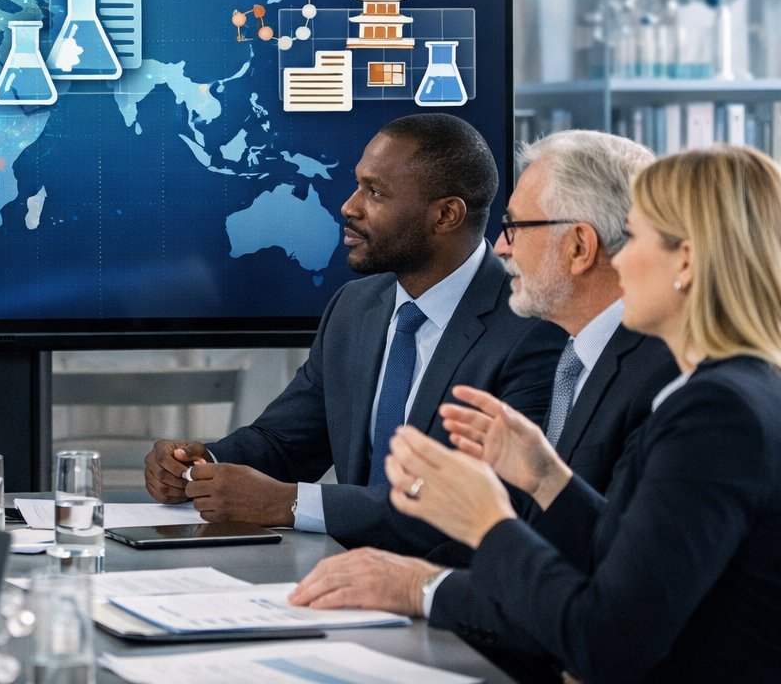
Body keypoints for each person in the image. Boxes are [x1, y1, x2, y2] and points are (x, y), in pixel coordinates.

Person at [332, 145, 781, 682]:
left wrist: (486, 521)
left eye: (633, 237)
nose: (619, 257)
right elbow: (633, 563)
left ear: (684, 261)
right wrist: (547, 478)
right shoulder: (728, 388)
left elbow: (605, 637)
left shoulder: (716, 410)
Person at [287, 130, 679, 676]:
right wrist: (545, 481)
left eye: (515, 227)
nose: (498, 247)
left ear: (579, 246)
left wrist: (426, 580)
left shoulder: (672, 383)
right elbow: (594, 551)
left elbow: (611, 609)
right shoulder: (583, 357)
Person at [145, 113, 565, 554]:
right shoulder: (355, 307)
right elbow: (285, 442)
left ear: (445, 215)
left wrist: (288, 503)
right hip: (348, 580)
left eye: (376, 192)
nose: (349, 206)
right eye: (358, 184)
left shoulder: (531, 328)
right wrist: (198, 465)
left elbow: (475, 506)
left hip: (452, 595)